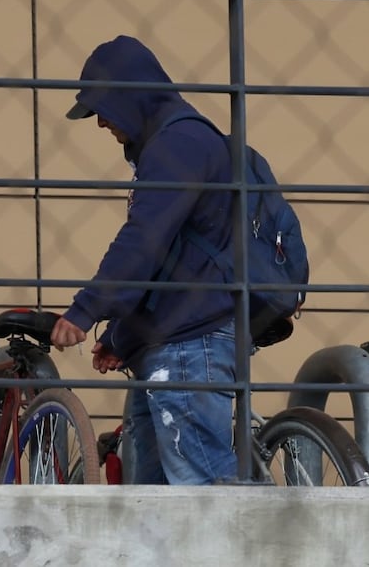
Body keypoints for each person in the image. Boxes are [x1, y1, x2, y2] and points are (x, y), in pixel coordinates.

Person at [49, 35, 238, 485]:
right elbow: (171, 259)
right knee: (149, 500)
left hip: (191, 344)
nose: (100, 124)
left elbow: (143, 241)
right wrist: (120, 335)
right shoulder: (170, 147)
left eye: (102, 109)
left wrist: (85, 310)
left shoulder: (181, 144)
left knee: (205, 494)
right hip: (174, 339)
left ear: (130, 97)